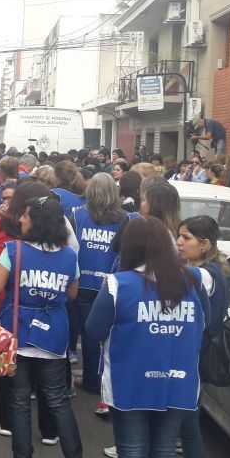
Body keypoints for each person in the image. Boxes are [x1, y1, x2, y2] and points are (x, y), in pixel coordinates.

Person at [86, 217, 207, 458]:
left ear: (129, 246)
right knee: (164, 453)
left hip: (129, 381)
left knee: (132, 453)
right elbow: (204, 323)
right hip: (179, 381)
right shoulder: (193, 280)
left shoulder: (118, 284)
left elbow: (93, 330)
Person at [0, 195, 90, 458]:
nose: (21, 219)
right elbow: (72, 293)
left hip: (18, 334)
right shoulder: (69, 255)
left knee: (19, 402)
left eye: (26, 215)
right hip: (53, 335)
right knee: (59, 402)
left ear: (37, 221)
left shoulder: (14, 249)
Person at [70, 173, 134, 415]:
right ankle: (109, 378)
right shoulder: (126, 218)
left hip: (84, 281)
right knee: (112, 333)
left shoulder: (77, 215)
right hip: (113, 283)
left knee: (88, 332)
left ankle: (91, 379)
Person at [176, 216, 229, 458]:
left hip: (196, 357)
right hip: (196, 356)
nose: (179, 242)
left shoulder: (205, 275)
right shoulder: (209, 268)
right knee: (188, 427)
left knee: (188, 427)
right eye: (179, 236)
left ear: (205, 244)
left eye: (186, 238)